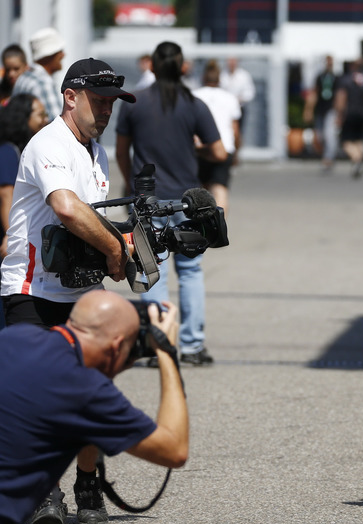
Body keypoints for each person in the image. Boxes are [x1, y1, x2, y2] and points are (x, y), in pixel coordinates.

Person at [0, 57, 136, 524]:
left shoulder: (94, 151)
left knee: (93, 390)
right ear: (70, 97)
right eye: (98, 102)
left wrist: (125, 244)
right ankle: (44, 491)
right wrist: (116, 245)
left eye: (111, 104)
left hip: (80, 290)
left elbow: (93, 219)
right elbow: (66, 208)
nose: (106, 111)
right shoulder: (48, 143)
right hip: (31, 290)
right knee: (37, 398)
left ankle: (87, 481)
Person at [0, 291, 188, 524]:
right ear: (116, 346)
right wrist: (166, 352)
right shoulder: (83, 388)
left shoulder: (13, 339)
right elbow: (174, 449)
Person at [116, 41, 227, 367]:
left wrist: (131, 182)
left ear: (151, 65)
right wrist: (196, 151)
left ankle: (158, 345)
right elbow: (220, 152)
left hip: (147, 201)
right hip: (185, 202)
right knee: (191, 271)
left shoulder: (134, 103)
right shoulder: (193, 103)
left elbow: (122, 151)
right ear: (181, 67)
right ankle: (192, 345)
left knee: (154, 270)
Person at [0, 94, 48, 332]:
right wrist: (10, 235)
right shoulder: (5, 152)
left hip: (11, 230)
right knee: (8, 287)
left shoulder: (21, 147)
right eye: (40, 114)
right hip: (3, 231)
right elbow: (5, 195)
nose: (45, 119)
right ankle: (3, 341)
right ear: (22, 117)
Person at [193, 59, 241, 213]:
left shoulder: (194, 95)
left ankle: (199, 227)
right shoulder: (229, 97)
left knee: (199, 190)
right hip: (224, 147)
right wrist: (236, 151)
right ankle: (220, 225)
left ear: (203, 77)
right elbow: (235, 129)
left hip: (200, 148)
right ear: (219, 78)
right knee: (220, 188)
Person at [334, 58, 363, 179]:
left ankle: (357, 159)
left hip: (349, 114)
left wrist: (339, 115)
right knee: (358, 140)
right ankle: (358, 160)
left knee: (346, 141)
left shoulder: (345, 80)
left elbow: (341, 99)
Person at [12, 27, 65, 120]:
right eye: (59, 51)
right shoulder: (42, 82)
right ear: (49, 56)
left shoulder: (23, 78)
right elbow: (57, 122)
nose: (63, 55)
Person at [303, 54, 339, 172]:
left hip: (331, 109)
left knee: (330, 134)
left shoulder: (336, 78)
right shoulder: (320, 77)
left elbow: (340, 96)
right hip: (320, 109)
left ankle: (328, 158)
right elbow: (314, 93)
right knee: (320, 135)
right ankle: (325, 154)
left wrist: (339, 112)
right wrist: (309, 110)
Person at [219, 56, 255, 158]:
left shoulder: (244, 76)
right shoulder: (223, 75)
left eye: (233, 61)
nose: (231, 63)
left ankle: (235, 155)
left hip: (239, 108)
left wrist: (239, 99)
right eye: (230, 60)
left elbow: (250, 93)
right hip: (225, 110)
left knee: (237, 132)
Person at [0, 44, 29, 122]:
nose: (11, 74)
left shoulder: (31, 91)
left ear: (26, 67)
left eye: (16, 69)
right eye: (7, 70)